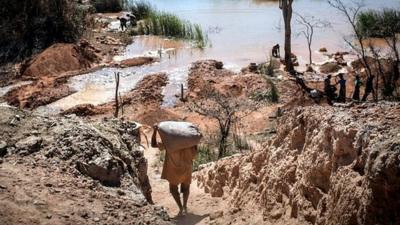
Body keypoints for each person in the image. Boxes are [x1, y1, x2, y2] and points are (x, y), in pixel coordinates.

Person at [151, 124, 198, 216]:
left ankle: (180, 208)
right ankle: (184, 206)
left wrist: (155, 131)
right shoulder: (190, 142)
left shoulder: (170, 142)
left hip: (173, 169)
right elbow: (195, 153)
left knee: (173, 189)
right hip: (187, 168)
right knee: (186, 188)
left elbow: (153, 144)